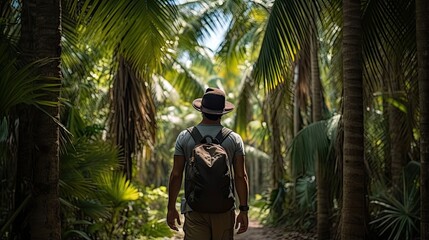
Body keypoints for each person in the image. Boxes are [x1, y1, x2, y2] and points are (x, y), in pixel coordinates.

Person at [167, 87, 249, 239]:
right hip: (224, 210)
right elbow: (240, 176)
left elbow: (176, 175)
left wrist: (171, 208)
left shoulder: (185, 137)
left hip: (194, 209)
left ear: (201, 110)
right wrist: (243, 210)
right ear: (222, 112)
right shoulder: (234, 139)